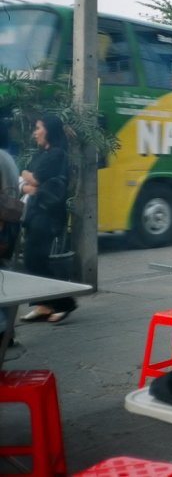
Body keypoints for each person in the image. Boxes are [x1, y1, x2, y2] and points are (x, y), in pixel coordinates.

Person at [19, 114, 76, 323]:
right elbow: (29, 185)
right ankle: (44, 304)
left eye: (39, 128)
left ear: (49, 130)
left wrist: (28, 175)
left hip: (48, 214)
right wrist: (29, 183)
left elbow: (35, 178)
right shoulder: (44, 154)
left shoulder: (57, 154)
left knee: (36, 260)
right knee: (34, 260)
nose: (35, 132)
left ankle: (65, 302)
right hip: (36, 213)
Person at [0, 121, 20, 344]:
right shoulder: (7, 157)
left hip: (2, 226)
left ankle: (3, 330)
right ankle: (8, 332)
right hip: (10, 227)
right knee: (4, 278)